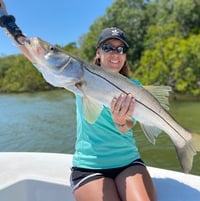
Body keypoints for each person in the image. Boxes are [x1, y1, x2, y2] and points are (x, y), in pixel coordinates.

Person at [0, 1, 157, 201]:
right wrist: (6, 21)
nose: (115, 54)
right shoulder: (74, 77)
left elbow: (127, 126)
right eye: (108, 47)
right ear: (98, 54)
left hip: (128, 162)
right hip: (89, 167)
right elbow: (32, 50)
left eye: (120, 49)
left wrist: (120, 121)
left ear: (125, 56)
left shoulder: (134, 86)